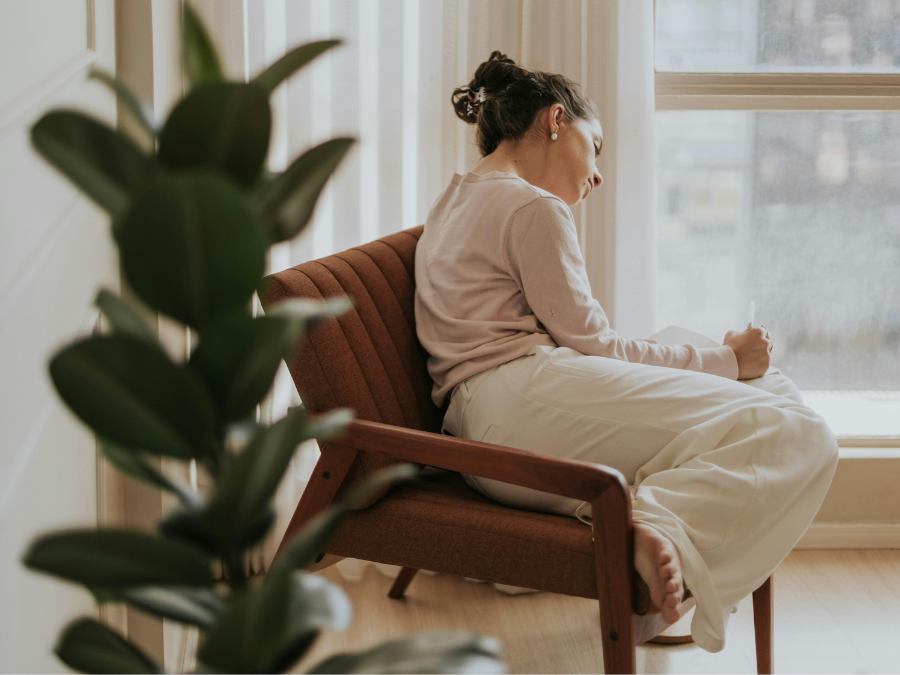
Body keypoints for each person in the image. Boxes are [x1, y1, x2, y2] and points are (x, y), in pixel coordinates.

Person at [413, 50, 838, 652]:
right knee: (802, 434)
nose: (598, 175)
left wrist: (728, 364)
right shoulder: (532, 205)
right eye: (596, 146)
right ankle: (651, 522)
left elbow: (584, 342)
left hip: (488, 423)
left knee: (759, 388)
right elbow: (598, 345)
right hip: (519, 410)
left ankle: (648, 517)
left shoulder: (456, 197)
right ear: (556, 120)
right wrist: (727, 361)